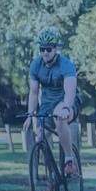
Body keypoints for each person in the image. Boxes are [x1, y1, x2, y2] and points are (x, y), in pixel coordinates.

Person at [25, 28, 79, 178]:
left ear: (55, 49)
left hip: (66, 101)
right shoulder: (36, 65)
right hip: (47, 103)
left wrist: (66, 107)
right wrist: (30, 115)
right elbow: (34, 93)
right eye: (42, 49)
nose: (45, 53)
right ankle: (52, 175)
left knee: (59, 118)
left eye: (48, 49)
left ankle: (69, 159)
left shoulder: (66, 65)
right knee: (40, 136)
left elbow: (70, 91)